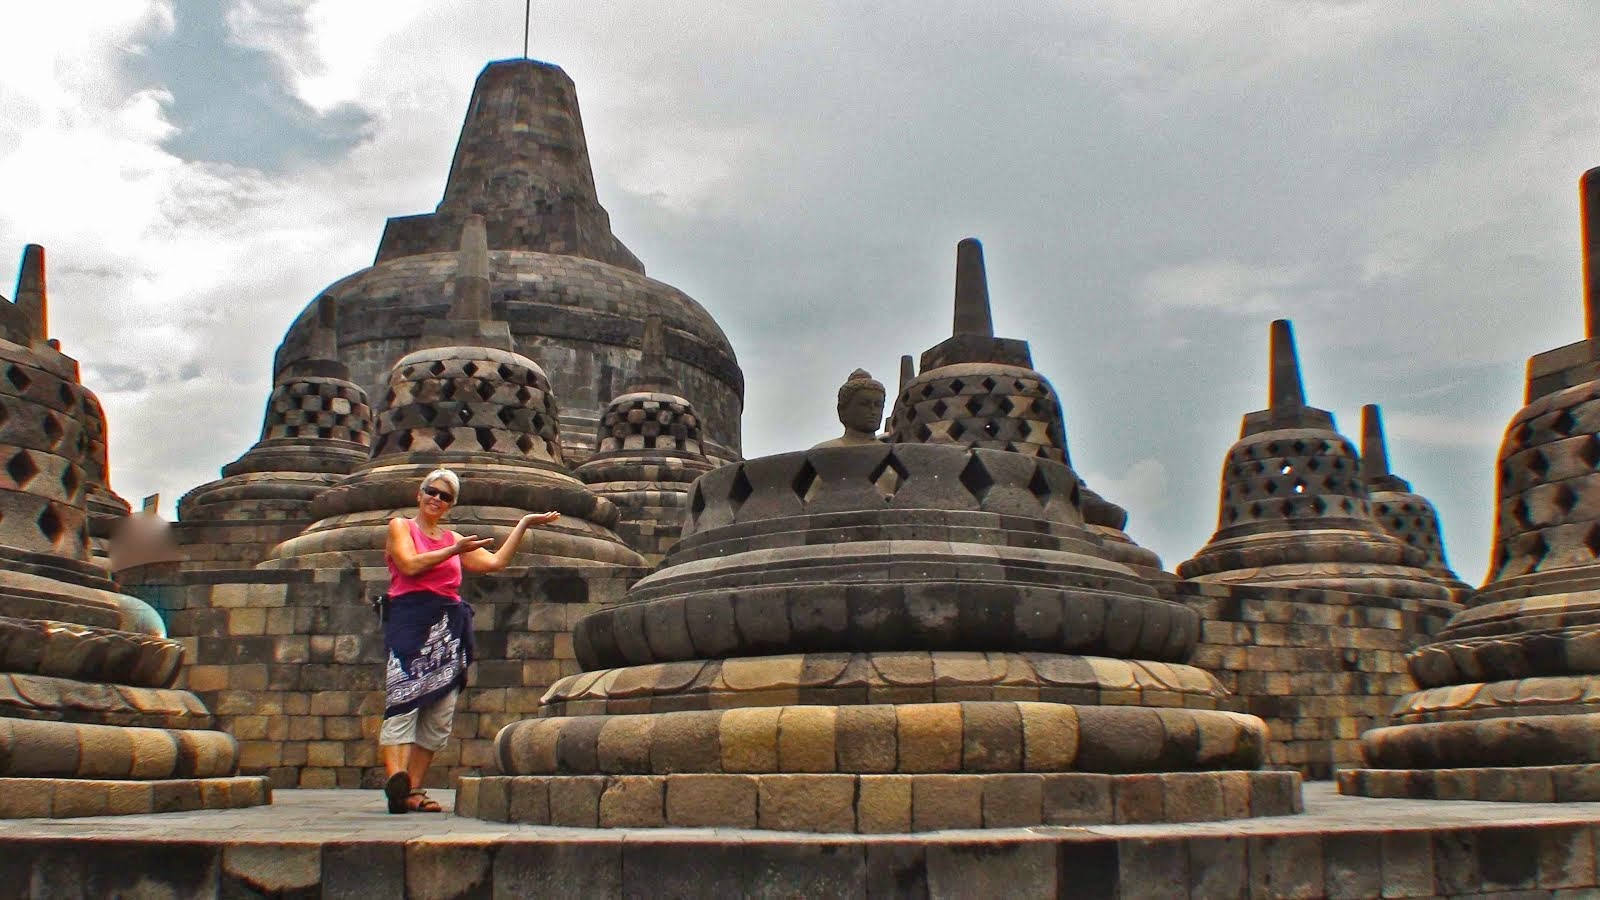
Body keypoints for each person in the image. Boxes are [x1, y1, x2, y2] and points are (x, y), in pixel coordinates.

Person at [380, 468, 559, 813]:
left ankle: (413, 788)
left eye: (445, 496)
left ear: (451, 504)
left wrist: (523, 524)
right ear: (419, 495)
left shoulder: (453, 539)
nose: (436, 499)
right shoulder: (401, 527)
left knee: (440, 711)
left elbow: (494, 563)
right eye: (432, 492)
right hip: (410, 619)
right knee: (403, 700)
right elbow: (409, 565)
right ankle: (396, 779)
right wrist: (453, 551)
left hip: (448, 626)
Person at [811, 368, 887, 448]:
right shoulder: (824, 450)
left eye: (878, 405)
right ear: (842, 410)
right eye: (864, 404)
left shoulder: (892, 453)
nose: (873, 411)